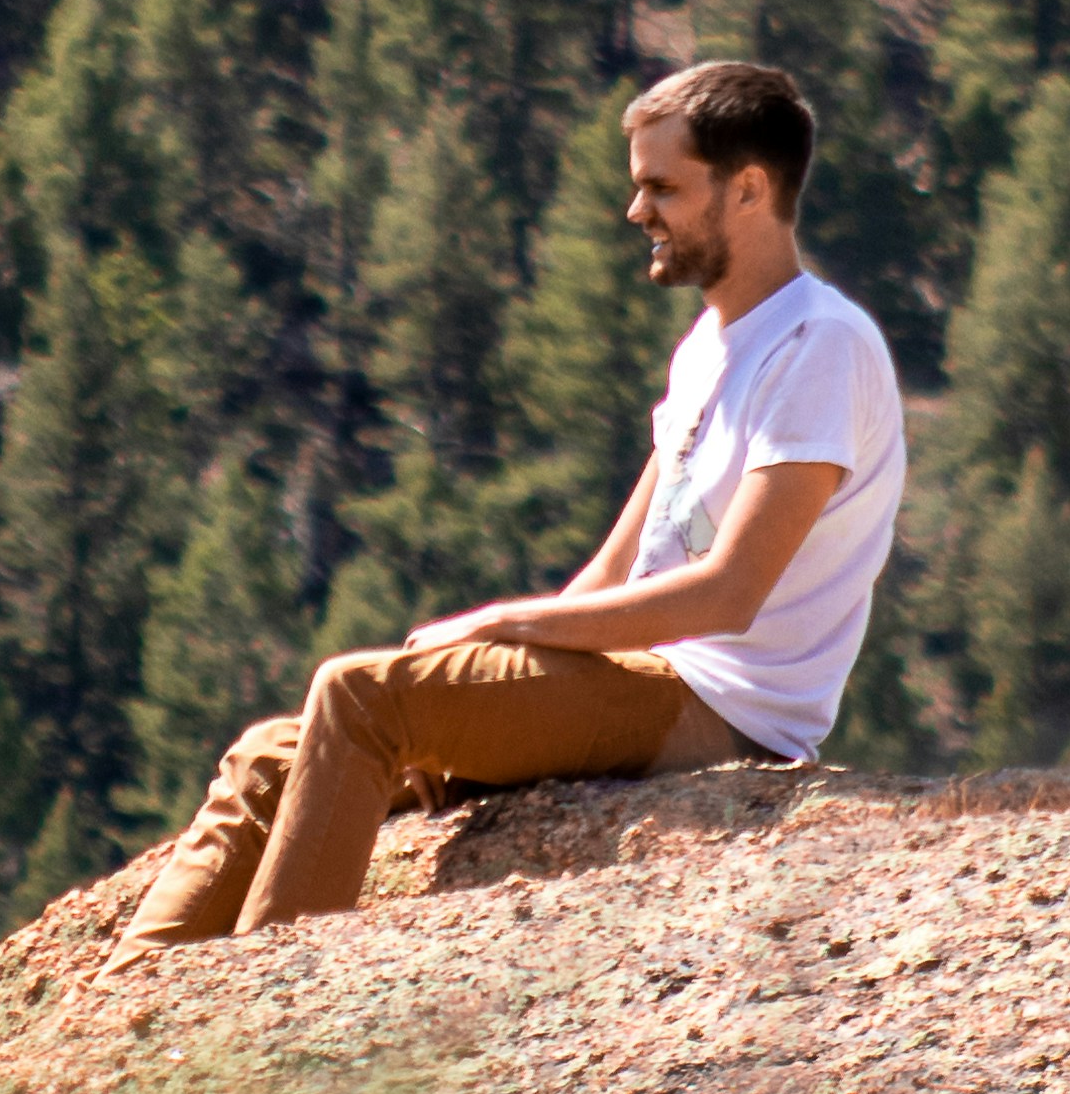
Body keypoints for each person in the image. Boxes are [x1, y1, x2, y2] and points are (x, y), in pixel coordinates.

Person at [123, 56, 906, 941]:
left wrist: (500, 627)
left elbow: (729, 594)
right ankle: (130, 1023)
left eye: (662, 186)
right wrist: (477, 688)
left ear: (748, 190)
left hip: (723, 712)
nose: (635, 211)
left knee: (357, 693)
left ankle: (264, 1011)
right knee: (274, 754)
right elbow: (620, 565)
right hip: (648, 683)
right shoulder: (710, 348)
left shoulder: (818, 346)